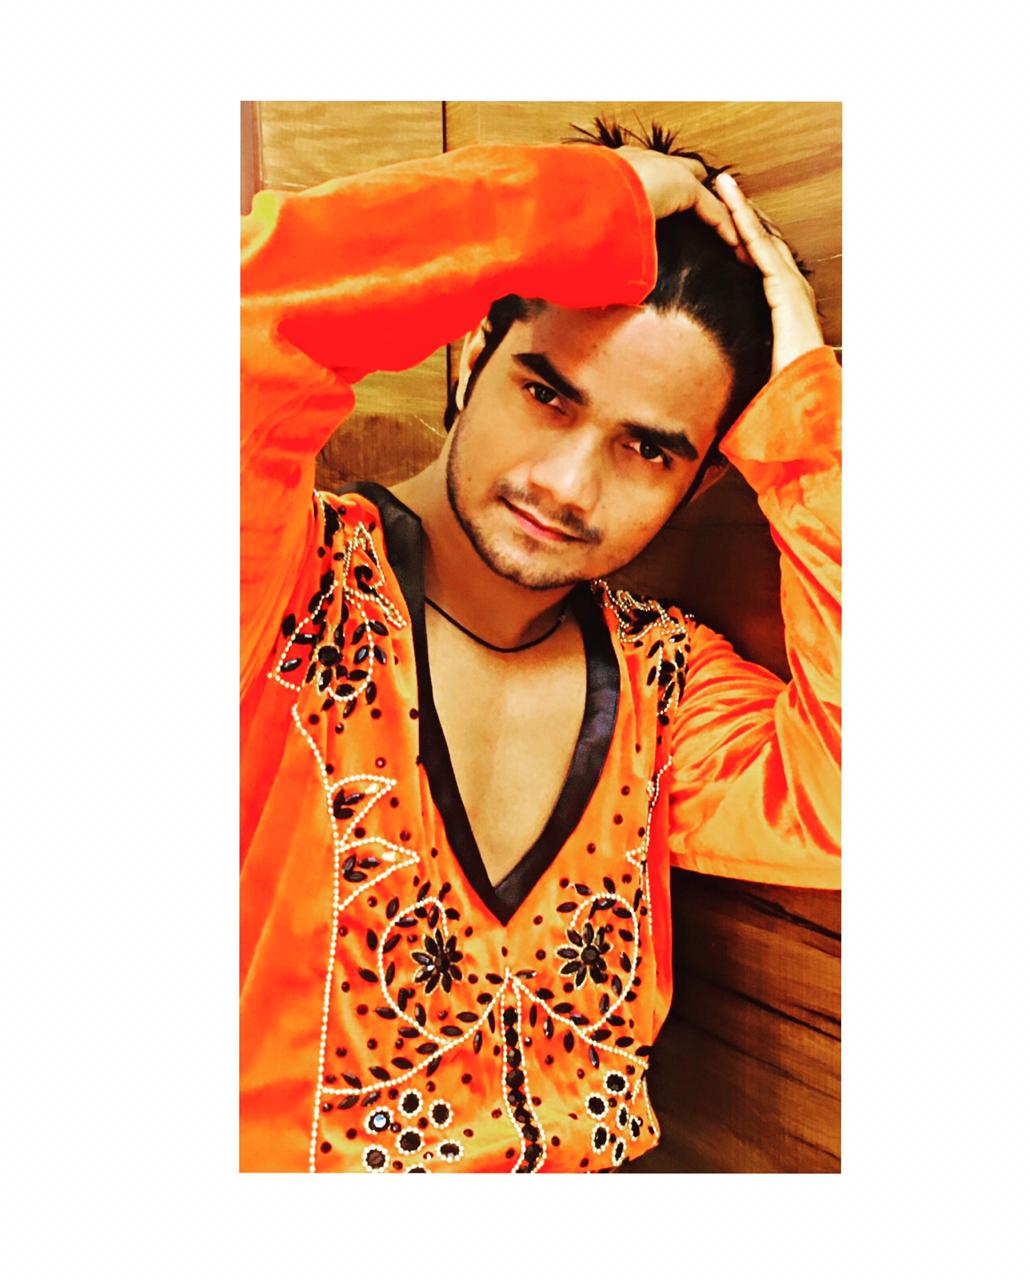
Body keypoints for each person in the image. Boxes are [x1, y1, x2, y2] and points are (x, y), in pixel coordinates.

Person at [240, 122, 841, 1173]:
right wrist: (575, 206)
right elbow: (243, 323)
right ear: (475, 352)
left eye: (646, 448)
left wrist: (808, 424)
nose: (566, 485)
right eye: (547, 393)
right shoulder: (276, 584)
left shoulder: (665, 685)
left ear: (702, 478)